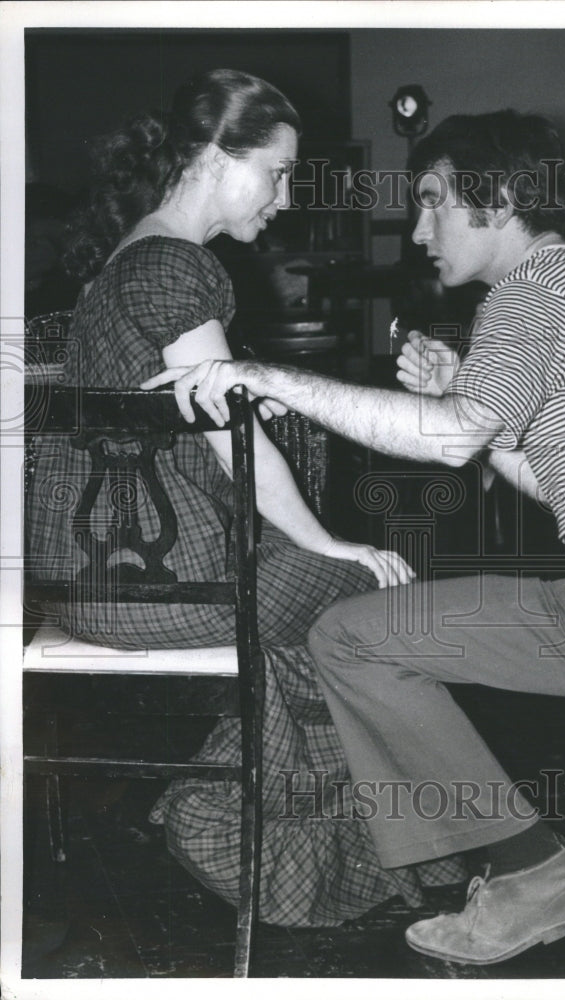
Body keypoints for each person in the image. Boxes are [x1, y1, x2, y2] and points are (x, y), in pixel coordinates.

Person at [144, 110, 565, 965]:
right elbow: (564, 480)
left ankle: (524, 869)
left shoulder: (532, 289)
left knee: (354, 638)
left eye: (434, 201)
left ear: (502, 199)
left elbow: (443, 439)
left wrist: (258, 376)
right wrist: (484, 423)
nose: (417, 228)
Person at [27, 68, 468, 928]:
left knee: (329, 616)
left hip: (98, 577)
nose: (288, 194)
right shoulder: (175, 263)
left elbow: (198, 417)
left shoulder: (132, 258)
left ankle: (293, 827)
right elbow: (242, 449)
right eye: (278, 171)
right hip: (154, 584)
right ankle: (264, 826)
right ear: (207, 156)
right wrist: (325, 543)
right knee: (364, 593)